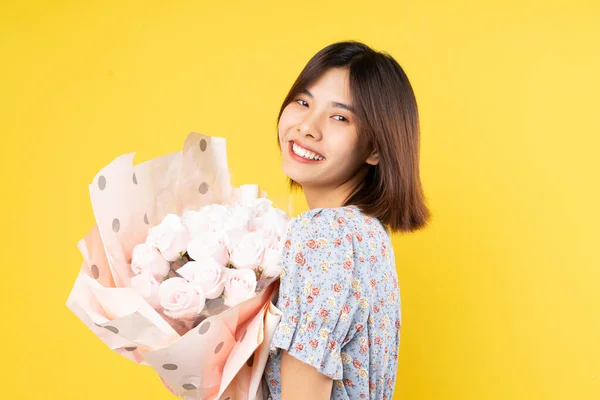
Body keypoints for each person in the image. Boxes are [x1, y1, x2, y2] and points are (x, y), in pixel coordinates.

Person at [263, 40, 431, 400]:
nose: (308, 127)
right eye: (303, 102)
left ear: (375, 148)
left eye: (340, 117)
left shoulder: (321, 233)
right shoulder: (367, 233)